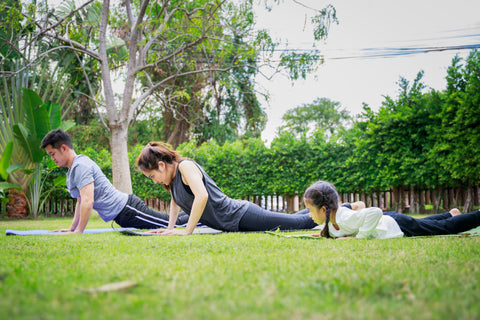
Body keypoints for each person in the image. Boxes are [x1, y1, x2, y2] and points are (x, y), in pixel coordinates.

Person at [135, 142, 322, 235]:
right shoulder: (173, 179)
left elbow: (202, 196)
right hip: (235, 221)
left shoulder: (185, 167)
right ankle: (321, 209)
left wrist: (186, 232)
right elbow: (176, 202)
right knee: (296, 219)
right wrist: (170, 228)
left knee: (300, 224)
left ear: (161, 165)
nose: (154, 181)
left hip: (241, 214)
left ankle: (341, 209)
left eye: (152, 176)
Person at [40, 129, 193, 234]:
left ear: (64, 148)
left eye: (53, 154)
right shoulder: (73, 170)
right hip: (124, 213)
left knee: (173, 225)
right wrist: (71, 229)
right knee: (172, 222)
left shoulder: (81, 166)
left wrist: (79, 231)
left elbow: (88, 201)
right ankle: (200, 213)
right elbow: (80, 202)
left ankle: (205, 215)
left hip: (128, 209)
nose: (52, 159)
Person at [303, 180, 480, 239]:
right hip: (392, 221)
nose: (309, 215)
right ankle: (450, 214)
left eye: (310, 211)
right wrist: (322, 234)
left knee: (442, 229)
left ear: (324, 208)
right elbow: (337, 231)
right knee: (423, 223)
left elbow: (374, 211)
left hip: (395, 225)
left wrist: (360, 238)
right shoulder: (332, 220)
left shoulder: (344, 217)